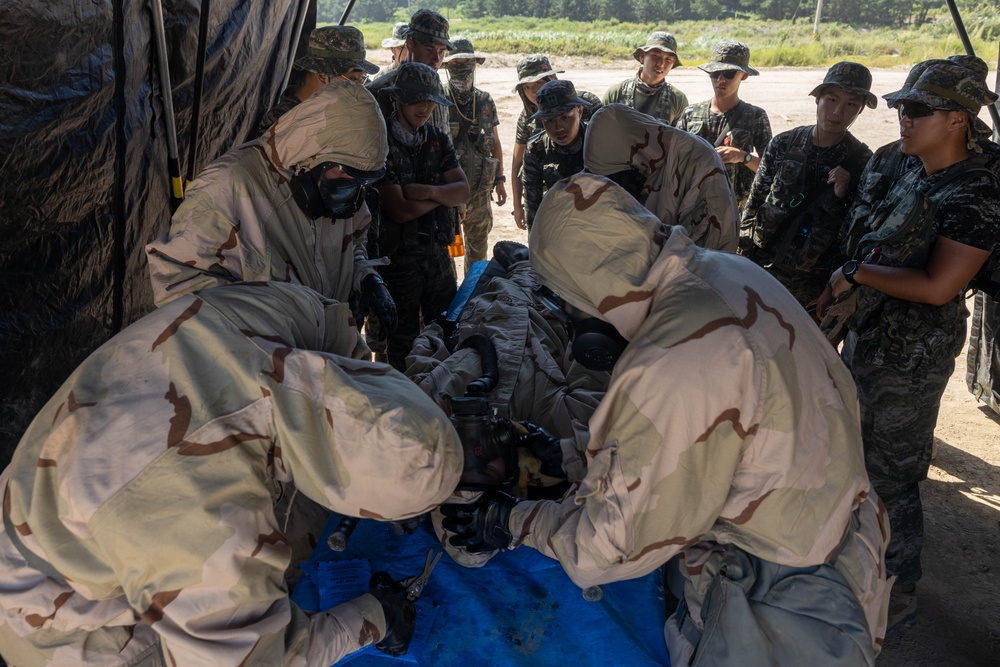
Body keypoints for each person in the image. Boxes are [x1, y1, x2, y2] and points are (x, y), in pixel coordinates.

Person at [441, 172, 890, 666]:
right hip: (836, 537)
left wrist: (510, 520)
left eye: (569, 302)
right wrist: (569, 456)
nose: (572, 322)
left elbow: (606, 551)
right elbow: (722, 439)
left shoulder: (670, 358)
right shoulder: (727, 270)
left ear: (591, 288)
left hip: (781, 603)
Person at [0, 281, 463, 666]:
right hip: (41, 606)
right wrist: (372, 617)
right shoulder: (197, 511)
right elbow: (255, 660)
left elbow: (330, 325)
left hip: (56, 489)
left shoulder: (270, 314)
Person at [817, 57, 1000, 630]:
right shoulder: (906, 166)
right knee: (853, 457)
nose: (902, 117)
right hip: (868, 334)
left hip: (911, 357)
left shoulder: (975, 193)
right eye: (900, 106)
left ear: (956, 119)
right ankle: (858, 565)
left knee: (891, 473)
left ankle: (898, 590)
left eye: (917, 109)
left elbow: (940, 284)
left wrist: (856, 275)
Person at [147, 81, 398, 339]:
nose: (355, 191)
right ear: (312, 155)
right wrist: (265, 323)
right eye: (349, 175)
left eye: (365, 182)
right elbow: (176, 287)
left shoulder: (341, 187)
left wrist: (366, 278)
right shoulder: (229, 186)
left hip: (319, 356)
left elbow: (355, 242)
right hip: (260, 363)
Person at [741, 61, 875, 312]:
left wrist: (843, 195)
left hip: (811, 282)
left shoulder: (862, 161)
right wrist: (741, 255)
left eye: (850, 105)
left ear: (860, 111)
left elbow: (854, 232)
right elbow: (755, 201)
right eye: (832, 100)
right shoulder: (784, 144)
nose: (837, 112)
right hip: (762, 264)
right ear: (818, 98)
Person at [375, 61, 470, 371]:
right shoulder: (381, 143)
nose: (425, 107)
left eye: (431, 100)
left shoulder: (436, 139)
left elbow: (463, 191)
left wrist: (429, 193)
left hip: (438, 257)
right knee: (401, 340)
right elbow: (399, 210)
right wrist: (443, 196)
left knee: (446, 330)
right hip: (398, 261)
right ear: (399, 98)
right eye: (417, 99)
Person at [583, 103, 739, 252]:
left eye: (615, 179)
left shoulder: (697, 163)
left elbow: (704, 258)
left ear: (633, 161)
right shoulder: (643, 162)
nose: (615, 188)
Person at [675, 40, 771, 210]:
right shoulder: (691, 113)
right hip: (694, 206)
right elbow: (674, 161)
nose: (720, 79)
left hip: (733, 210)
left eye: (728, 73)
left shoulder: (755, 116)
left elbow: (769, 170)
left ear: (744, 75)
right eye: (715, 73)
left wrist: (743, 156)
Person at [510, 54, 602, 230]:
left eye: (539, 83)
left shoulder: (587, 107)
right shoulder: (531, 134)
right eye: (528, 87)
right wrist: (518, 205)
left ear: (579, 111)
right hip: (553, 204)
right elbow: (518, 163)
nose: (534, 91)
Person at [442, 38, 507, 270]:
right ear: (447, 67)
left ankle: (472, 297)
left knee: (478, 251)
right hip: (447, 193)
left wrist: (500, 180)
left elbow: (496, 143)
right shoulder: (440, 99)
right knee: (445, 251)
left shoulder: (484, 100)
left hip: (479, 191)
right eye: (456, 63)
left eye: (467, 62)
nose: (463, 67)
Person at [256, 25, 379, 135]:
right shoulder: (282, 121)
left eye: (361, 79)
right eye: (352, 79)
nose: (357, 87)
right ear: (322, 75)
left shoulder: (338, 109)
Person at [368, 8, 454, 135]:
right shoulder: (381, 91)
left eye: (441, 51)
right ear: (410, 44)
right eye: (429, 49)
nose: (436, 59)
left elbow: (445, 135)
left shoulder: (437, 88)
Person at [522, 80, 590, 230]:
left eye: (565, 117)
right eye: (549, 120)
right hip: (557, 228)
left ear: (579, 111)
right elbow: (533, 204)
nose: (558, 128)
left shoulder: (597, 140)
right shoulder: (536, 148)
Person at [602, 31, 688, 126]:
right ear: (643, 56)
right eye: (655, 56)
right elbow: (600, 132)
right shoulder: (616, 94)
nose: (661, 64)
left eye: (668, 59)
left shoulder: (677, 99)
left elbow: (680, 138)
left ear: (673, 63)